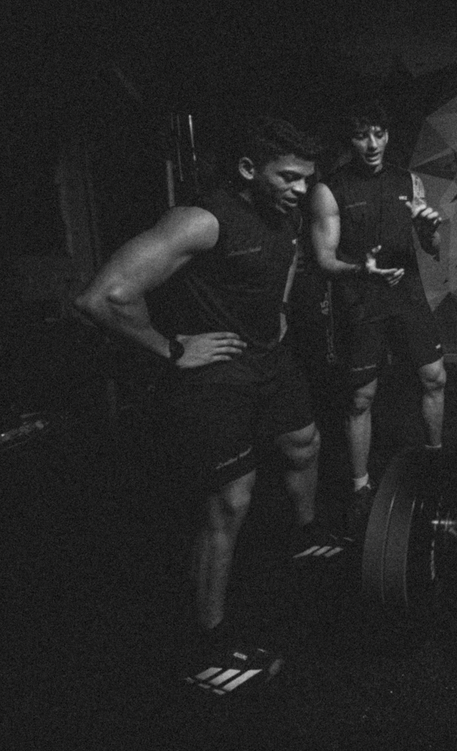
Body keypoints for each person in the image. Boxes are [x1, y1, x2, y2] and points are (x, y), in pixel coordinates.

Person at [74, 115, 326, 689]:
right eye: (288, 177)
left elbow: (276, 271)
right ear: (248, 169)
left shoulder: (284, 213)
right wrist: (171, 348)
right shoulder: (202, 220)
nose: (301, 189)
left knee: (304, 442)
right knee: (231, 502)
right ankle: (207, 645)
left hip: (270, 357)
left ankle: (306, 540)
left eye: (307, 179)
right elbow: (102, 297)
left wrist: (277, 318)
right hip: (218, 372)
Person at [310, 96, 445, 542]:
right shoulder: (330, 190)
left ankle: (435, 464)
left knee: (434, 378)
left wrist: (429, 231)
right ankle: (359, 489)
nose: (372, 145)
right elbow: (324, 259)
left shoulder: (409, 180)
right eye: (361, 136)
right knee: (360, 399)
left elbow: (432, 248)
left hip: (407, 294)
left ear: (388, 135)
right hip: (362, 299)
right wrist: (359, 270)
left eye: (379, 134)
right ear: (349, 140)